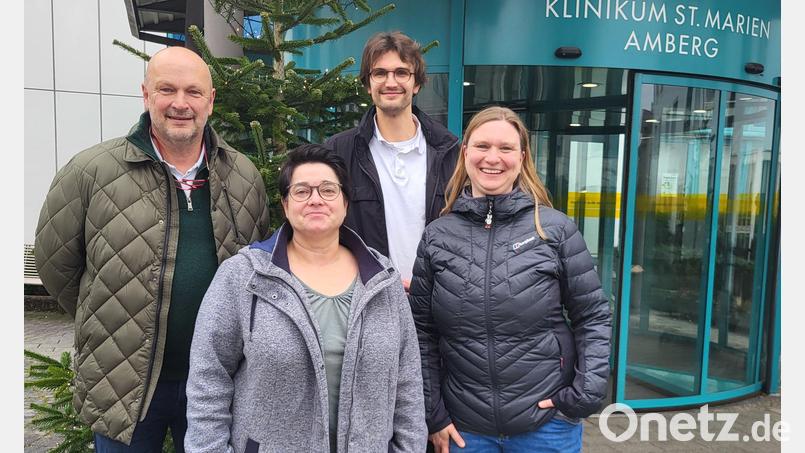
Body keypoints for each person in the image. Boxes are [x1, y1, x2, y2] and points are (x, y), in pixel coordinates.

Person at [34, 46, 270, 451]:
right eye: (167, 90)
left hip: (218, 383)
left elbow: (256, 269)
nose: (180, 103)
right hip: (124, 382)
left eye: (193, 92)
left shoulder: (244, 176)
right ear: (146, 95)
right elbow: (57, 265)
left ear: (210, 101)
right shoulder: (91, 171)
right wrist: (111, 320)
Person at [185, 144, 427, 452]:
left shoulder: (382, 279)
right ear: (285, 205)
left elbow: (407, 381)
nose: (315, 199)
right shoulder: (243, 277)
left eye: (328, 190)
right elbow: (209, 378)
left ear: (345, 202)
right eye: (302, 191)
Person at [409, 106, 611, 452]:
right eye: (483, 146)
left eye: (505, 148)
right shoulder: (437, 236)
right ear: (466, 152)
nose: (493, 158)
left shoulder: (554, 229)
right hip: (465, 432)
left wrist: (585, 393)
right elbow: (420, 331)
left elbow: (592, 315)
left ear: (522, 156)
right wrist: (435, 415)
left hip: (547, 426)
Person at [326, 31, 459, 290]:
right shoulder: (338, 152)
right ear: (368, 83)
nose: (391, 82)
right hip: (367, 300)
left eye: (401, 72)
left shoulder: (450, 151)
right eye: (380, 73)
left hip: (437, 303)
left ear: (416, 83)